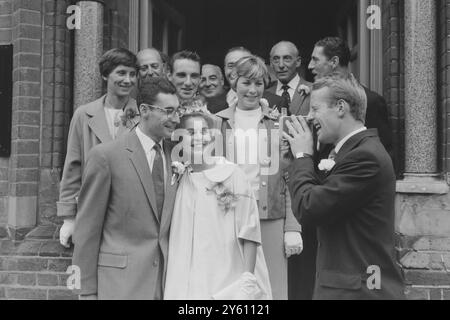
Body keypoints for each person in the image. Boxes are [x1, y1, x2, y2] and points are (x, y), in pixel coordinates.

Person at [282, 74, 405, 300]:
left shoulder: (365, 156)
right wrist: (296, 160)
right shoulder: (351, 151)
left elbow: (308, 208)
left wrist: (302, 155)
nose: (309, 117)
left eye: (315, 109)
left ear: (340, 107)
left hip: (358, 291)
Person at [72, 77, 181, 300]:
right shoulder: (106, 156)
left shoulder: (178, 157)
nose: (176, 118)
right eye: (168, 111)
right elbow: (86, 230)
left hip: (167, 284)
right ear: (144, 110)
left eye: (178, 111)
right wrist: (83, 292)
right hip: (118, 285)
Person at [216, 55, 303, 300]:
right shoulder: (218, 122)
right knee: (232, 287)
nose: (253, 90)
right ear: (234, 81)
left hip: (269, 215)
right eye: (246, 83)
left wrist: (292, 227)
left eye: (259, 83)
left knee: (271, 289)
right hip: (229, 214)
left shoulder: (278, 123)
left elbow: (290, 174)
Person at [164, 110, 272, 300]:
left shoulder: (231, 174)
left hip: (227, 275)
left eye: (204, 131)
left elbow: (250, 229)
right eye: (190, 132)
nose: (199, 137)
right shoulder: (180, 178)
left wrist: (247, 280)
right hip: (189, 277)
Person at [57, 48, 139, 248]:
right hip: (92, 207)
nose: (128, 80)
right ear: (105, 75)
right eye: (121, 73)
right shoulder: (84, 115)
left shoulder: (141, 114)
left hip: (130, 211)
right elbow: (73, 165)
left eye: (132, 74)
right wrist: (69, 218)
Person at [309, 37, 393, 158]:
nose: (310, 66)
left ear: (334, 62)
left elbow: (384, 153)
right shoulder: (314, 95)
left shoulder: (371, 101)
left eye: (315, 60)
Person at [223, 47, 289, 111]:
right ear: (224, 68)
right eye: (231, 65)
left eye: (244, 65)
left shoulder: (277, 102)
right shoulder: (214, 103)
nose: (236, 70)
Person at [267, 41, 312, 116]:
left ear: (298, 62)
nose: (281, 65)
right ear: (271, 63)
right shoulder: (265, 94)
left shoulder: (314, 91)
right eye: (276, 59)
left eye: (287, 58)